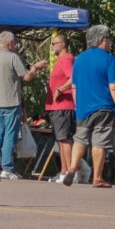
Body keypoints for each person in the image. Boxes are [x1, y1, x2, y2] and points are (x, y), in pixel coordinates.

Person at [53, 25, 115, 188]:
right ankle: (97, 178)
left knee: (80, 139)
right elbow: (114, 87)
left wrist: (78, 106)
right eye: (108, 39)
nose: (110, 42)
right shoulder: (109, 59)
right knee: (100, 142)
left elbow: (74, 87)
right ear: (101, 40)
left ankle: (71, 168)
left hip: (83, 109)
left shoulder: (80, 60)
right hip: (104, 108)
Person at [0, 31, 46, 180]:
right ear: (9, 44)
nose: (15, 46)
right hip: (12, 101)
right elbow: (26, 77)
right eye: (14, 43)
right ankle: (7, 167)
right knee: (10, 135)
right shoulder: (13, 57)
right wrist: (35, 68)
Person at [44, 32, 76, 177]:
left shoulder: (66, 59)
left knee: (65, 139)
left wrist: (60, 90)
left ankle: (70, 171)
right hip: (56, 107)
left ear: (63, 45)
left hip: (64, 105)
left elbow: (73, 78)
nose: (51, 46)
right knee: (60, 139)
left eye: (54, 43)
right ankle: (63, 170)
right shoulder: (60, 60)